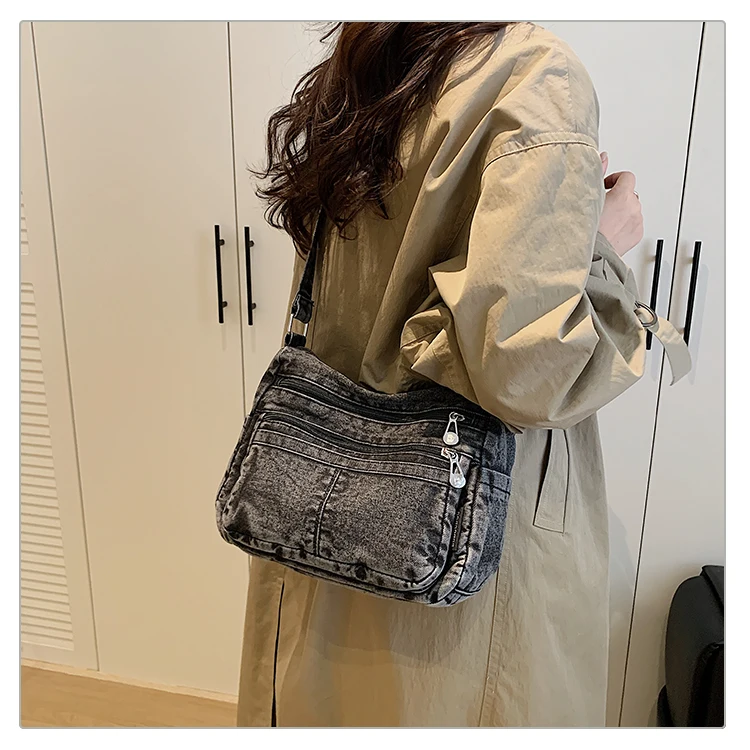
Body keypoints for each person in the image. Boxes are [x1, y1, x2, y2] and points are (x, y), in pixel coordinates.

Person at [235, 21, 687, 727]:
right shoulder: (535, 76)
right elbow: (527, 369)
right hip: (458, 544)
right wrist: (603, 245)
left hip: (320, 506)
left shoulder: (366, 64)